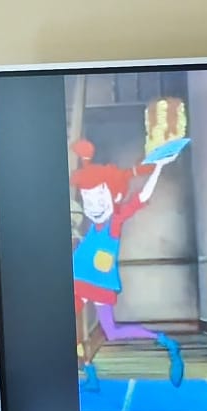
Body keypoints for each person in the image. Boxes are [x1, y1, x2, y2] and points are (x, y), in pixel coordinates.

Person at [71, 138, 183, 388]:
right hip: (79, 280)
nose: (94, 207)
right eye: (88, 201)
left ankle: (164, 340)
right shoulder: (92, 225)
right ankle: (89, 373)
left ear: (113, 195)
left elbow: (142, 196)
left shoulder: (115, 221)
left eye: (99, 199)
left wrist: (158, 168)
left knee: (111, 331)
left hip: (97, 283)